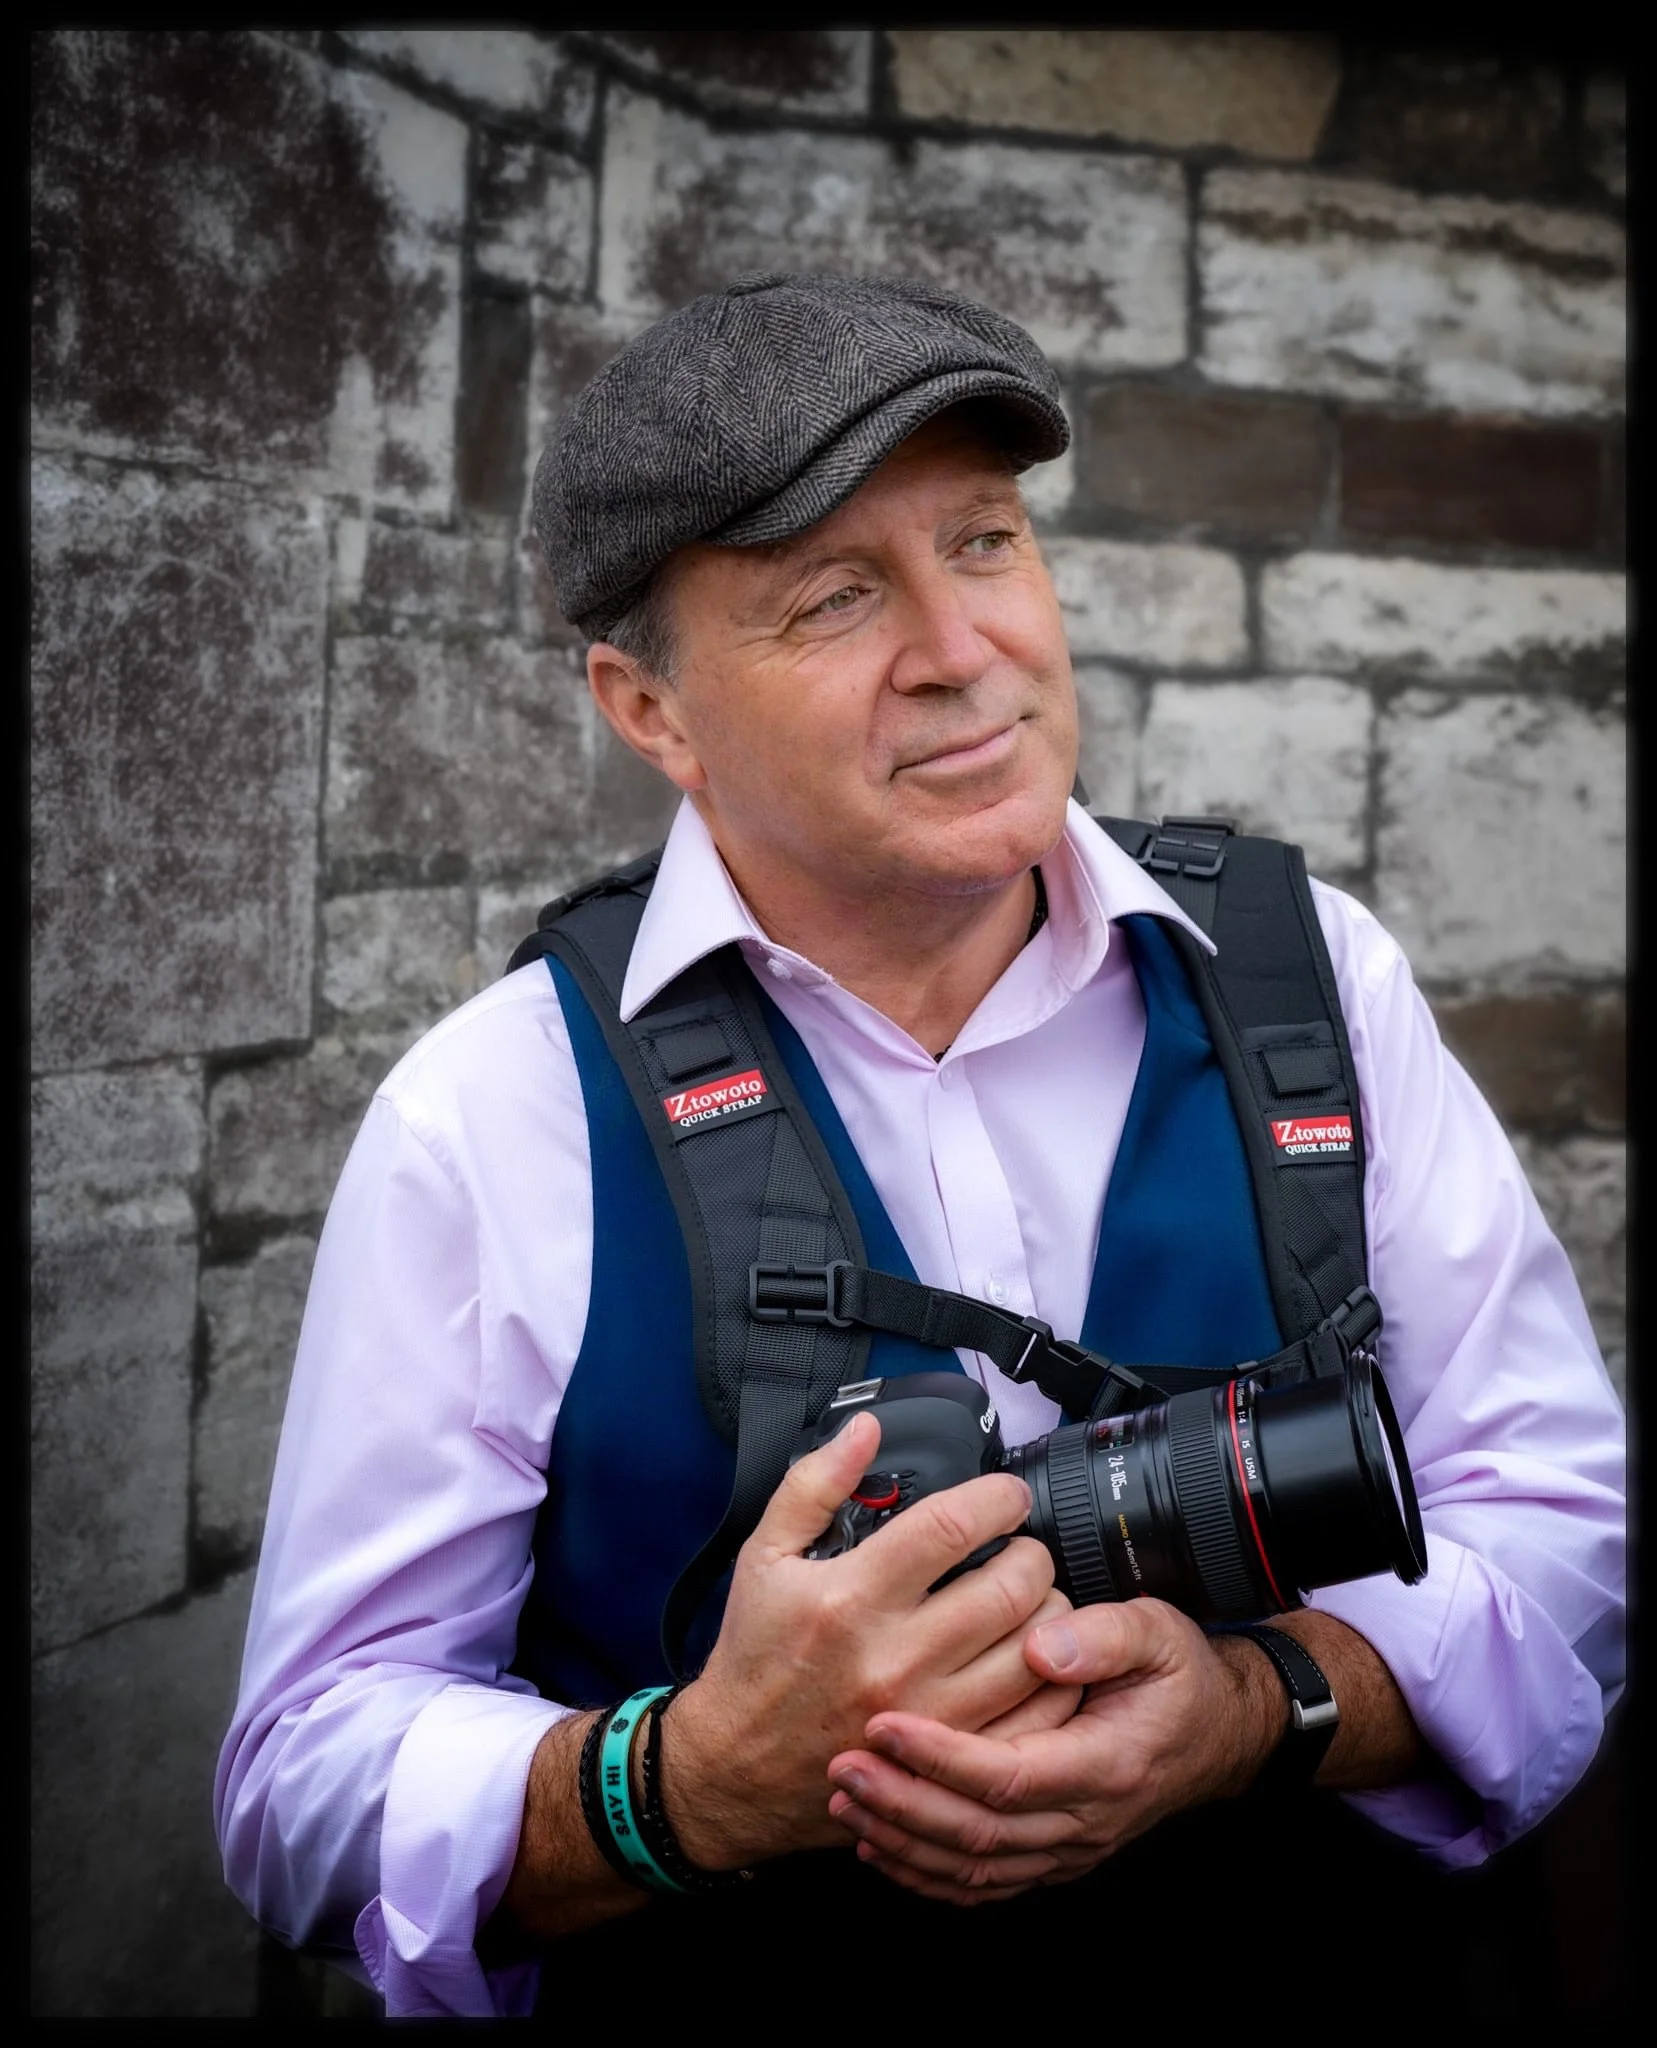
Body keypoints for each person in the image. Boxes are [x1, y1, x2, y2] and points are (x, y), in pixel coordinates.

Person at [215, 273, 1626, 2019]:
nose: (963, 651)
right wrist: (689, 1785)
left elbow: (1567, 1526)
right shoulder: (488, 1111)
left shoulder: (1313, 981)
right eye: (834, 596)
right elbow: (297, 1787)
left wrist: (1259, 1708)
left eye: (983, 542)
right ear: (648, 711)